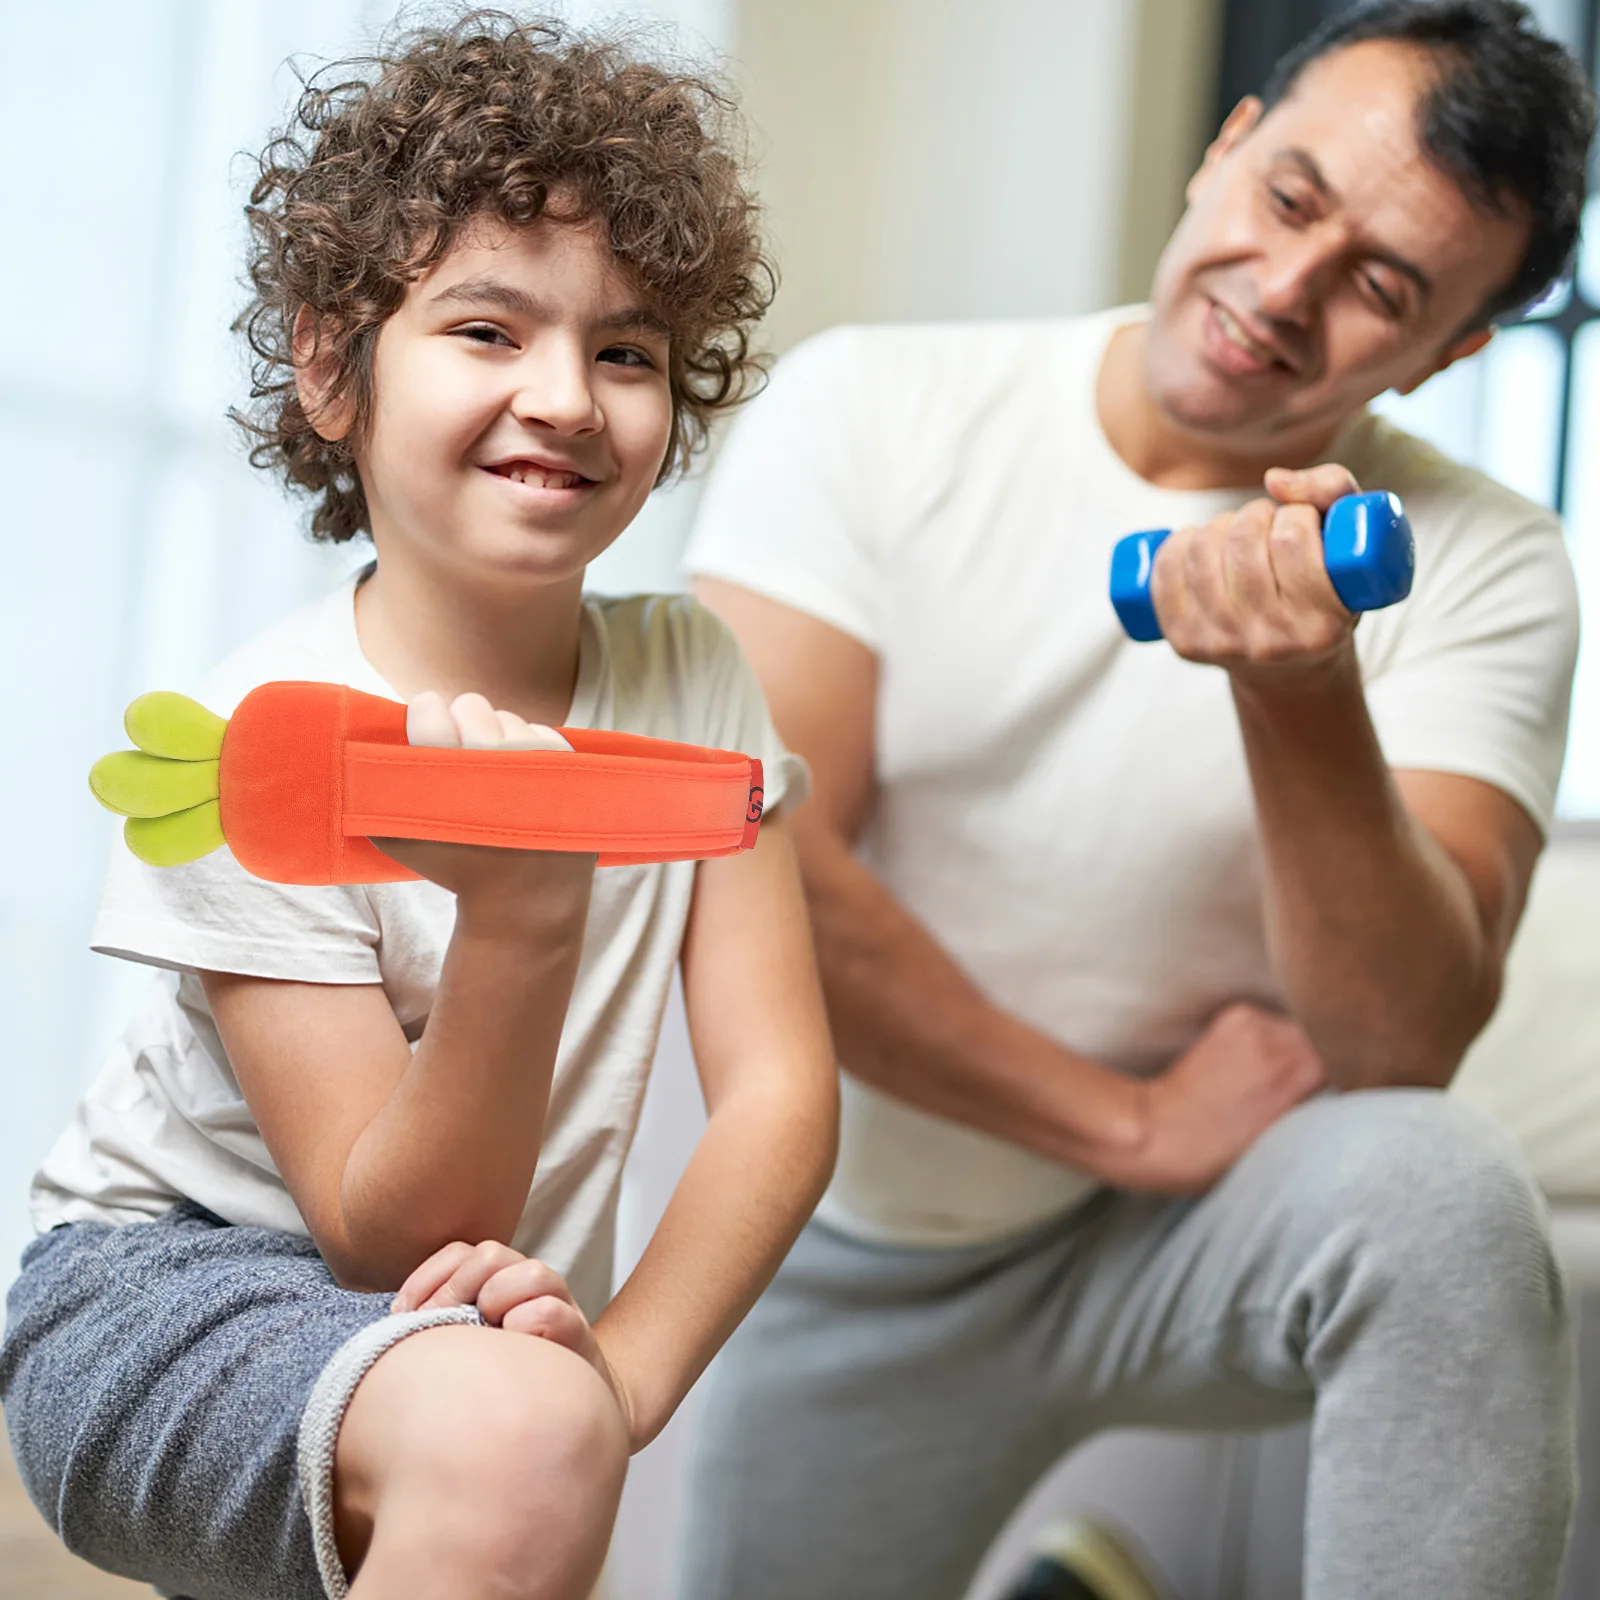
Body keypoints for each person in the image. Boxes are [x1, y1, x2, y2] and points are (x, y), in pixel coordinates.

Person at [676, 3, 1593, 1598]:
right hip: (877, 1238)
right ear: (1225, 150)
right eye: (1292, 197)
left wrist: (1299, 690)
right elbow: (760, 868)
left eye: (1382, 285)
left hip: (1199, 1235)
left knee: (1440, 1196)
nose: (1284, 293)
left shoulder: (1487, 559)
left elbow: (1396, 1045)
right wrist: (1126, 1118)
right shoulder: (870, 412)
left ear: (1452, 353)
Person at [0, 15, 838, 1600]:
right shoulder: (264, 741)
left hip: (455, 1330)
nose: (568, 397)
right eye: (486, 330)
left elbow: (783, 1094)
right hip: (162, 1286)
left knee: (540, 1431)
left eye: (627, 349)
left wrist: (626, 1380)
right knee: (517, 1436)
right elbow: (387, 1235)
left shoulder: (695, 672)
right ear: (333, 367)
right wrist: (522, 906)